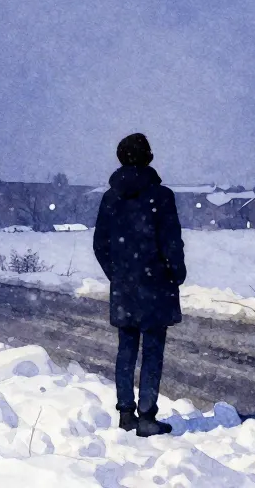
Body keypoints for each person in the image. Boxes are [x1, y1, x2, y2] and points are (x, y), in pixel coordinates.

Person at [93, 133, 187, 437]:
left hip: (125, 286)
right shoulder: (161, 196)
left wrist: (118, 274)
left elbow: (100, 245)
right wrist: (176, 273)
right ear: (148, 157)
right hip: (156, 284)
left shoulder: (111, 198)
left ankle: (125, 413)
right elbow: (171, 242)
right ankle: (147, 416)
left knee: (126, 348)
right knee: (153, 351)